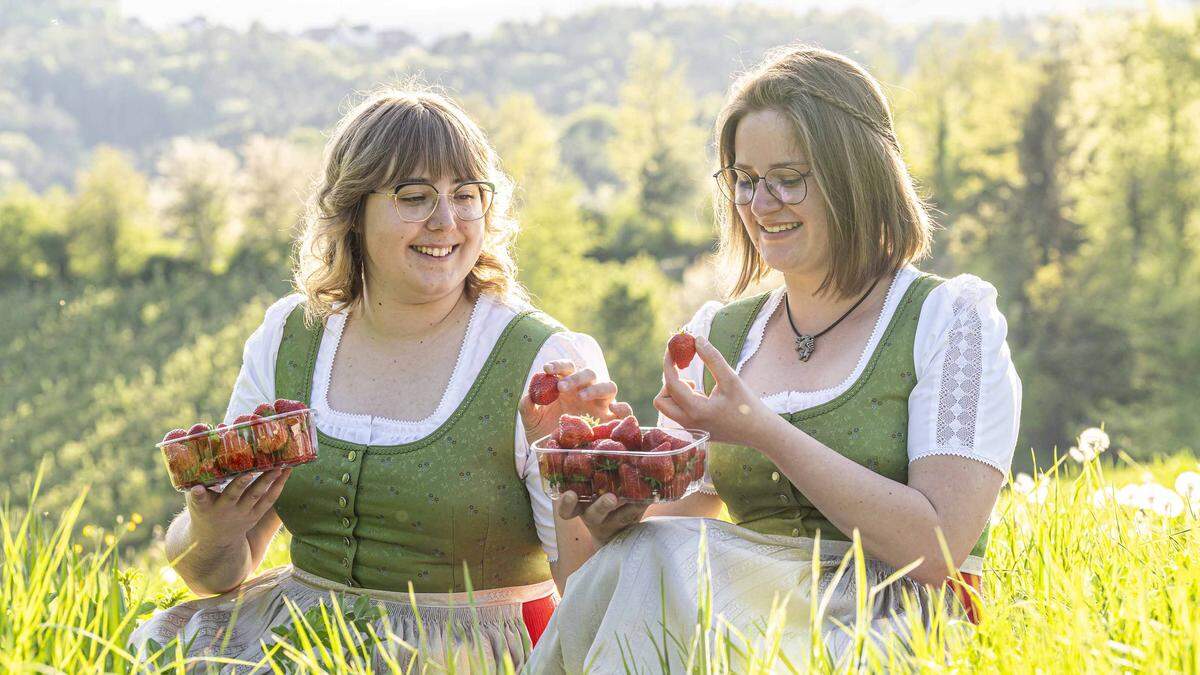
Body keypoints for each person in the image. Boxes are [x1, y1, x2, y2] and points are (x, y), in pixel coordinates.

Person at [528, 45, 1022, 672]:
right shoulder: (722, 333)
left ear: (857, 176)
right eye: (745, 179)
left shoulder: (948, 320)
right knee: (649, 550)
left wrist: (764, 431)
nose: (761, 206)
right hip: (746, 615)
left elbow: (941, 548)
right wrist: (605, 492)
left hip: (890, 626)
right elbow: (657, 547)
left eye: (789, 179)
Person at [130, 88, 627, 670]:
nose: (446, 222)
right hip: (295, 638)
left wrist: (572, 473)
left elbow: (590, 591)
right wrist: (212, 530)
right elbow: (214, 575)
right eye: (415, 197)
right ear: (353, 212)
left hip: (465, 653)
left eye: (466, 196)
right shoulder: (291, 336)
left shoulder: (543, 361)